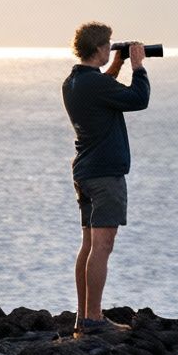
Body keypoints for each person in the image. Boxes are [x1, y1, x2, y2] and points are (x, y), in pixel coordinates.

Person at [63, 21, 150, 337]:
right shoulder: (94, 85)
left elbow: (102, 89)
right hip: (104, 175)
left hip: (85, 172)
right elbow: (138, 99)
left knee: (88, 245)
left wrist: (115, 65)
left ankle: (83, 317)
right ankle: (94, 318)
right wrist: (137, 68)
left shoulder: (74, 83)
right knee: (103, 245)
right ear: (99, 48)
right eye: (109, 46)